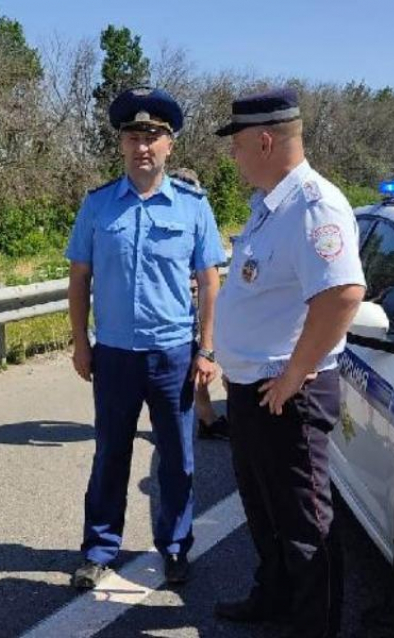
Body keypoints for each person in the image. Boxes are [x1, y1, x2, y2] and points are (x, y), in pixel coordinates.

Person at [210, 88, 365, 638]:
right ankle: (273, 596)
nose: (234, 157)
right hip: (254, 388)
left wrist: (294, 375)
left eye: (238, 146)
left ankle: (314, 627)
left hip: (288, 394)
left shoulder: (314, 205)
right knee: (264, 510)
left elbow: (343, 294)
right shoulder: (270, 204)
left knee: (306, 525)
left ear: (266, 140)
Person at [67, 87, 225, 589]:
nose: (143, 146)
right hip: (113, 353)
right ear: (121, 144)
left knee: (177, 457)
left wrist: (206, 347)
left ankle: (175, 547)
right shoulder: (97, 206)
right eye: (134, 136)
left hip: (173, 353)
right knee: (110, 454)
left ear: (169, 146)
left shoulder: (194, 207)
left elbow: (210, 280)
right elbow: (79, 278)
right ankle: (98, 549)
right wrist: (80, 342)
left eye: (153, 137)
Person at [168, 167, 230, 442]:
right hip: (178, 312)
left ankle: (204, 418)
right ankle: (204, 419)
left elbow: (209, 272)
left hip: (191, 305)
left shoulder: (194, 211)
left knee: (197, 360)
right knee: (193, 364)